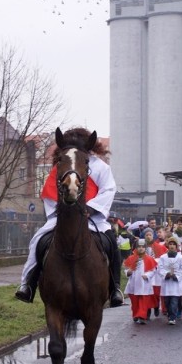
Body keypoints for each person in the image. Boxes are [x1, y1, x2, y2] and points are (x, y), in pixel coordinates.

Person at [15, 127, 122, 307]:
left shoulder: (100, 167)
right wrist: (63, 211)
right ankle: (28, 284)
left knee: (112, 243)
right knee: (38, 241)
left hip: (92, 219)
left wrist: (90, 209)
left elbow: (108, 190)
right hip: (63, 218)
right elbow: (50, 193)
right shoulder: (61, 166)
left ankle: (115, 288)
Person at [123, 239, 157, 324]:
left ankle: (142, 316)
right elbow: (126, 269)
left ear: (145, 248)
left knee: (143, 301)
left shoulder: (149, 259)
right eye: (139, 247)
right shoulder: (131, 258)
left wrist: (147, 275)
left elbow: (153, 270)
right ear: (136, 248)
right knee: (135, 302)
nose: (141, 248)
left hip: (144, 284)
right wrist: (128, 272)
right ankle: (135, 314)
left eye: (143, 247)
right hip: (133, 284)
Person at [157, 235, 182, 325]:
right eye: (170, 244)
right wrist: (167, 274)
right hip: (167, 283)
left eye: (174, 244)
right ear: (168, 246)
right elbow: (159, 268)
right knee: (167, 301)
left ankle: (173, 317)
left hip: (175, 283)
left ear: (176, 246)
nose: (172, 246)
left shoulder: (181, 258)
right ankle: (170, 314)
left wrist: (176, 276)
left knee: (174, 301)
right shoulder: (163, 257)